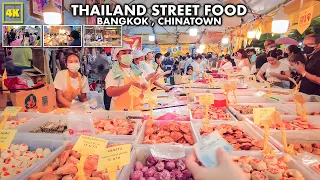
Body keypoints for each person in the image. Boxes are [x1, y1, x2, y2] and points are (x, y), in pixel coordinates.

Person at [105, 44, 150, 110]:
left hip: (136, 109)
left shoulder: (137, 70)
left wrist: (144, 87)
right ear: (117, 56)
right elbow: (110, 92)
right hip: (120, 112)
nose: (127, 55)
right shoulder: (114, 72)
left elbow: (143, 85)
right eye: (124, 53)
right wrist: (128, 86)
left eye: (129, 53)